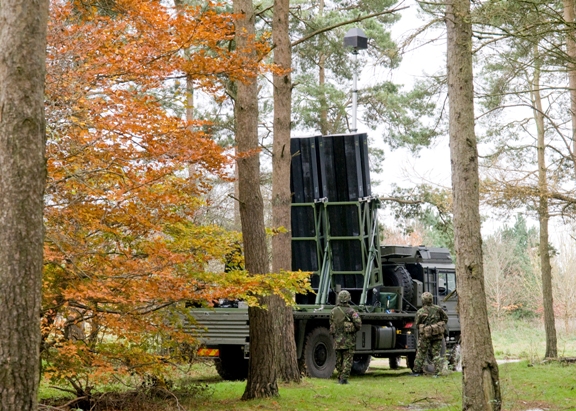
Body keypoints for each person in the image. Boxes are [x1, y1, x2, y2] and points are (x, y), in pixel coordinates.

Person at [412, 291, 448, 377]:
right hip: (437, 335)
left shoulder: (420, 311)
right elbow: (445, 319)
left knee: (421, 353)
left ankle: (416, 371)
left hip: (425, 336)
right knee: (436, 353)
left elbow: (417, 324)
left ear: (423, 300)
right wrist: (437, 326)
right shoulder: (438, 309)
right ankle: (437, 372)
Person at [329, 290, 362, 384]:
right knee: (347, 359)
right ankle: (344, 379)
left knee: (339, 360)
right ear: (348, 298)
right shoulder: (351, 311)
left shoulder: (333, 311)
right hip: (348, 340)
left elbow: (331, 323)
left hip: (337, 340)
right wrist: (353, 329)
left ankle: (339, 377)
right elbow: (358, 324)